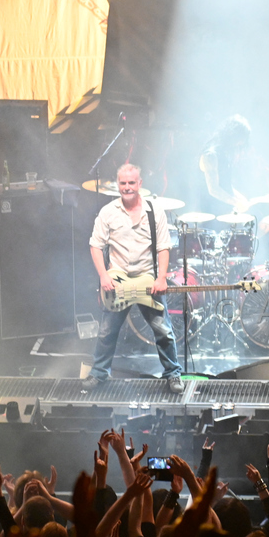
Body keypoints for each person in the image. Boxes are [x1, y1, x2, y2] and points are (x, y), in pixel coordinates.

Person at [85, 163, 183, 392]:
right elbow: (95, 245)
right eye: (123, 183)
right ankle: (99, 373)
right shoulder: (108, 212)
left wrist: (161, 278)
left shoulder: (154, 211)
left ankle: (173, 374)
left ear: (140, 184)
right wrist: (103, 276)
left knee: (164, 331)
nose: (127, 187)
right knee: (106, 332)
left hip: (147, 279)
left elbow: (164, 247)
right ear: (117, 184)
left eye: (131, 182)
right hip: (118, 281)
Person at [198, 114, 251, 212]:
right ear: (233, 135)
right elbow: (213, 189)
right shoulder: (210, 155)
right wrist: (237, 203)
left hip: (225, 209)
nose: (241, 143)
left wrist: (241, 198)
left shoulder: (224, 153)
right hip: (211, 212)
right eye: (241, 139)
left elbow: (225, 185)